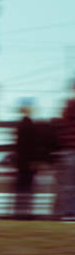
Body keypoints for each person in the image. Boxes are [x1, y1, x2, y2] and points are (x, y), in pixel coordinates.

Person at [12, 100, 44, 220]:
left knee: (21, 189)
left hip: (21, 163)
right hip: (28, 163)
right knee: (28, 189)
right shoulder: (30, 124)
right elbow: (31, 146)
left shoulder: (20, 125)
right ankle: (26, 213)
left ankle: (19, 213)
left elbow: (19, 146)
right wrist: (34, 161)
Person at [54, 83, 75, 220]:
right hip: (70, 151)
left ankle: (67, 212)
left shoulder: (68, 107)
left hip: (68, 151)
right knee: (69, 185)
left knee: (68, 185)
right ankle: (68, 212)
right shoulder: (70, 106)